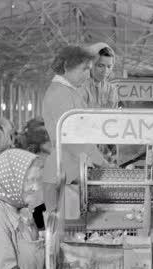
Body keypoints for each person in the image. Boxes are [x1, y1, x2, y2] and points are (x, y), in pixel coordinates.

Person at [43, 45, 109, 211]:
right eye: (84, 69)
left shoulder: (70, 91)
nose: (88, 75)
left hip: (71, 171)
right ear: (66, 67)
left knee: (73, 226)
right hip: (64, 173)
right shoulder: (60, 94)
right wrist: (101, 162)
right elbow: (71, 139)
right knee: (65, 228)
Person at [79, 43, 122, 109]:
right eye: (100, 66)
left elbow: (115, 115)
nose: (105, 71)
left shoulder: (111, 89)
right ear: (91, 65)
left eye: (109, 66)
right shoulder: (81, 88)